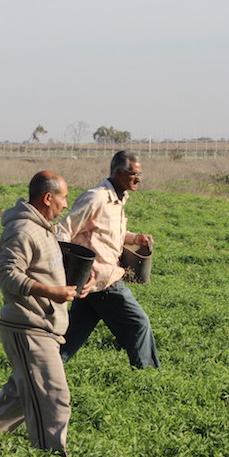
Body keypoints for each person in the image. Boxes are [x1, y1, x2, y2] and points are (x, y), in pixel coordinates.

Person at [0, 171, 91, 455]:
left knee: (20, 395)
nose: (65, 204)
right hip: (28, 326)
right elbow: (7, 275)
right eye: (63, 197)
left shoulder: (44, 228)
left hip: (44, 325)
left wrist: (74, 283)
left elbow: (44, 268)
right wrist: (51, 292)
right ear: (47, 197)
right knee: (55, 396)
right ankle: (50, 456)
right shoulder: (22, 229)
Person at [57, 150, 160, 369]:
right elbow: (64, 232)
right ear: (119, 172)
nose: (138, 179)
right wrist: (77, 270)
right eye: (134, 174)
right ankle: (149, 377)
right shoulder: (96, 198)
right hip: (102, 281)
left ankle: (44, 368)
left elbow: (108, 233)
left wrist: (135, 238)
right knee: (139, 324)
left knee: (72, 335)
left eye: (139, 174)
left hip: (93, 285)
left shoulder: (118, 200)